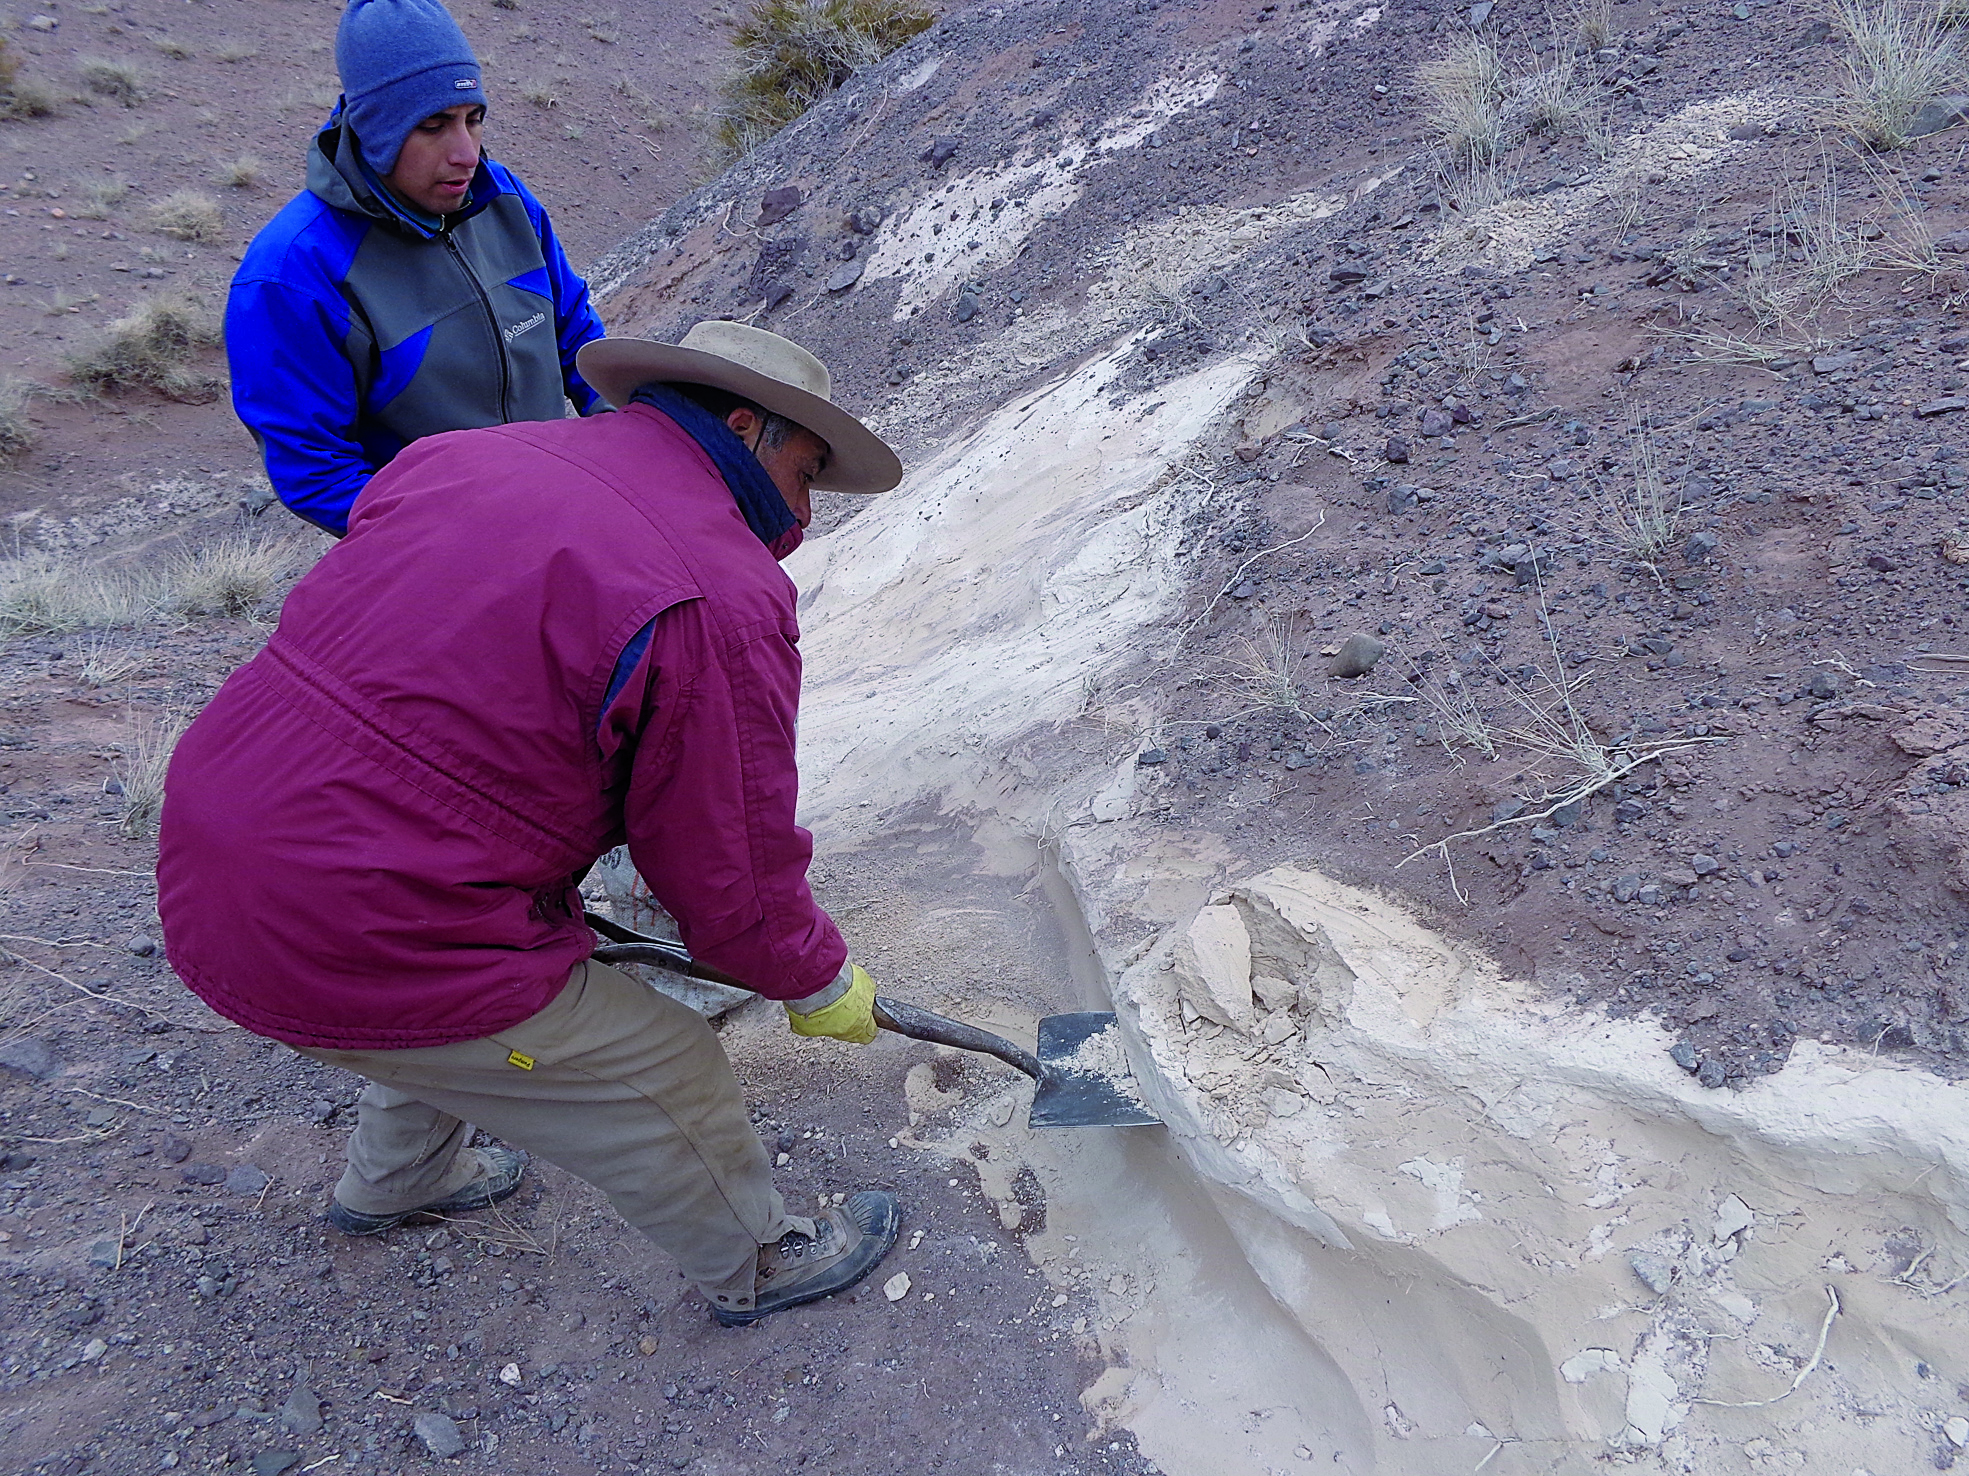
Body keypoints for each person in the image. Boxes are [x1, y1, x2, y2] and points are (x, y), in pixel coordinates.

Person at [156, 322, 906, 1325]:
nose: (804, 513)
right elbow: (730, 863)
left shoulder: (470, 455)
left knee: (463, 992)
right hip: (348, 912)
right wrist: (811, 978)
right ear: (742, 427)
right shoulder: (716, 591)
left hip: (215, 841)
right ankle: (759, 1263)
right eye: (807, 474)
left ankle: (398, 1181)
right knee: (663, 1061)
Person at [225, 0, 606, 536]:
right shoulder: (293, 273)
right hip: (447, 549)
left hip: (563, 508)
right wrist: (452, 537)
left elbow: (576, 334)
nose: (466, 153)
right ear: (375, 131)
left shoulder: (504, 198)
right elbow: (314, 469)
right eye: (433, 125)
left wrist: (624, 432)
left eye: (474, 119)